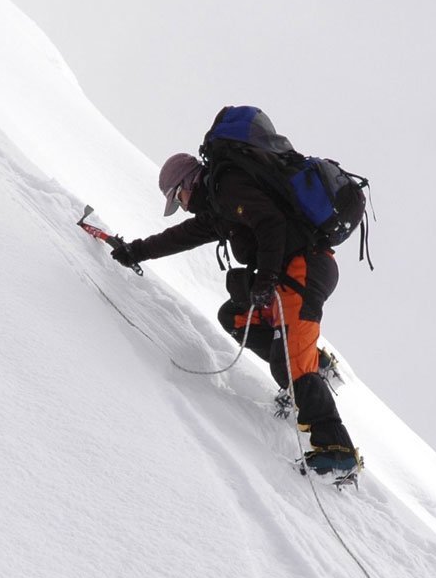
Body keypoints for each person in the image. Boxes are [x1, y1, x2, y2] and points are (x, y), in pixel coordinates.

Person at [109, 143, 360, 477]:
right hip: (287, 274)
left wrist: (267, 278)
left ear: (185, 185)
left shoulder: (228, 187)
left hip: (304, 268)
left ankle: (336, 449)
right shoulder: (219, 208)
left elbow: (271, 224)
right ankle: (319, 364)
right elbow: (179, 237)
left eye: (177, 199)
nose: (182, 207)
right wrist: (135, 251)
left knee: (292, 362)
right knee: (236, 317)